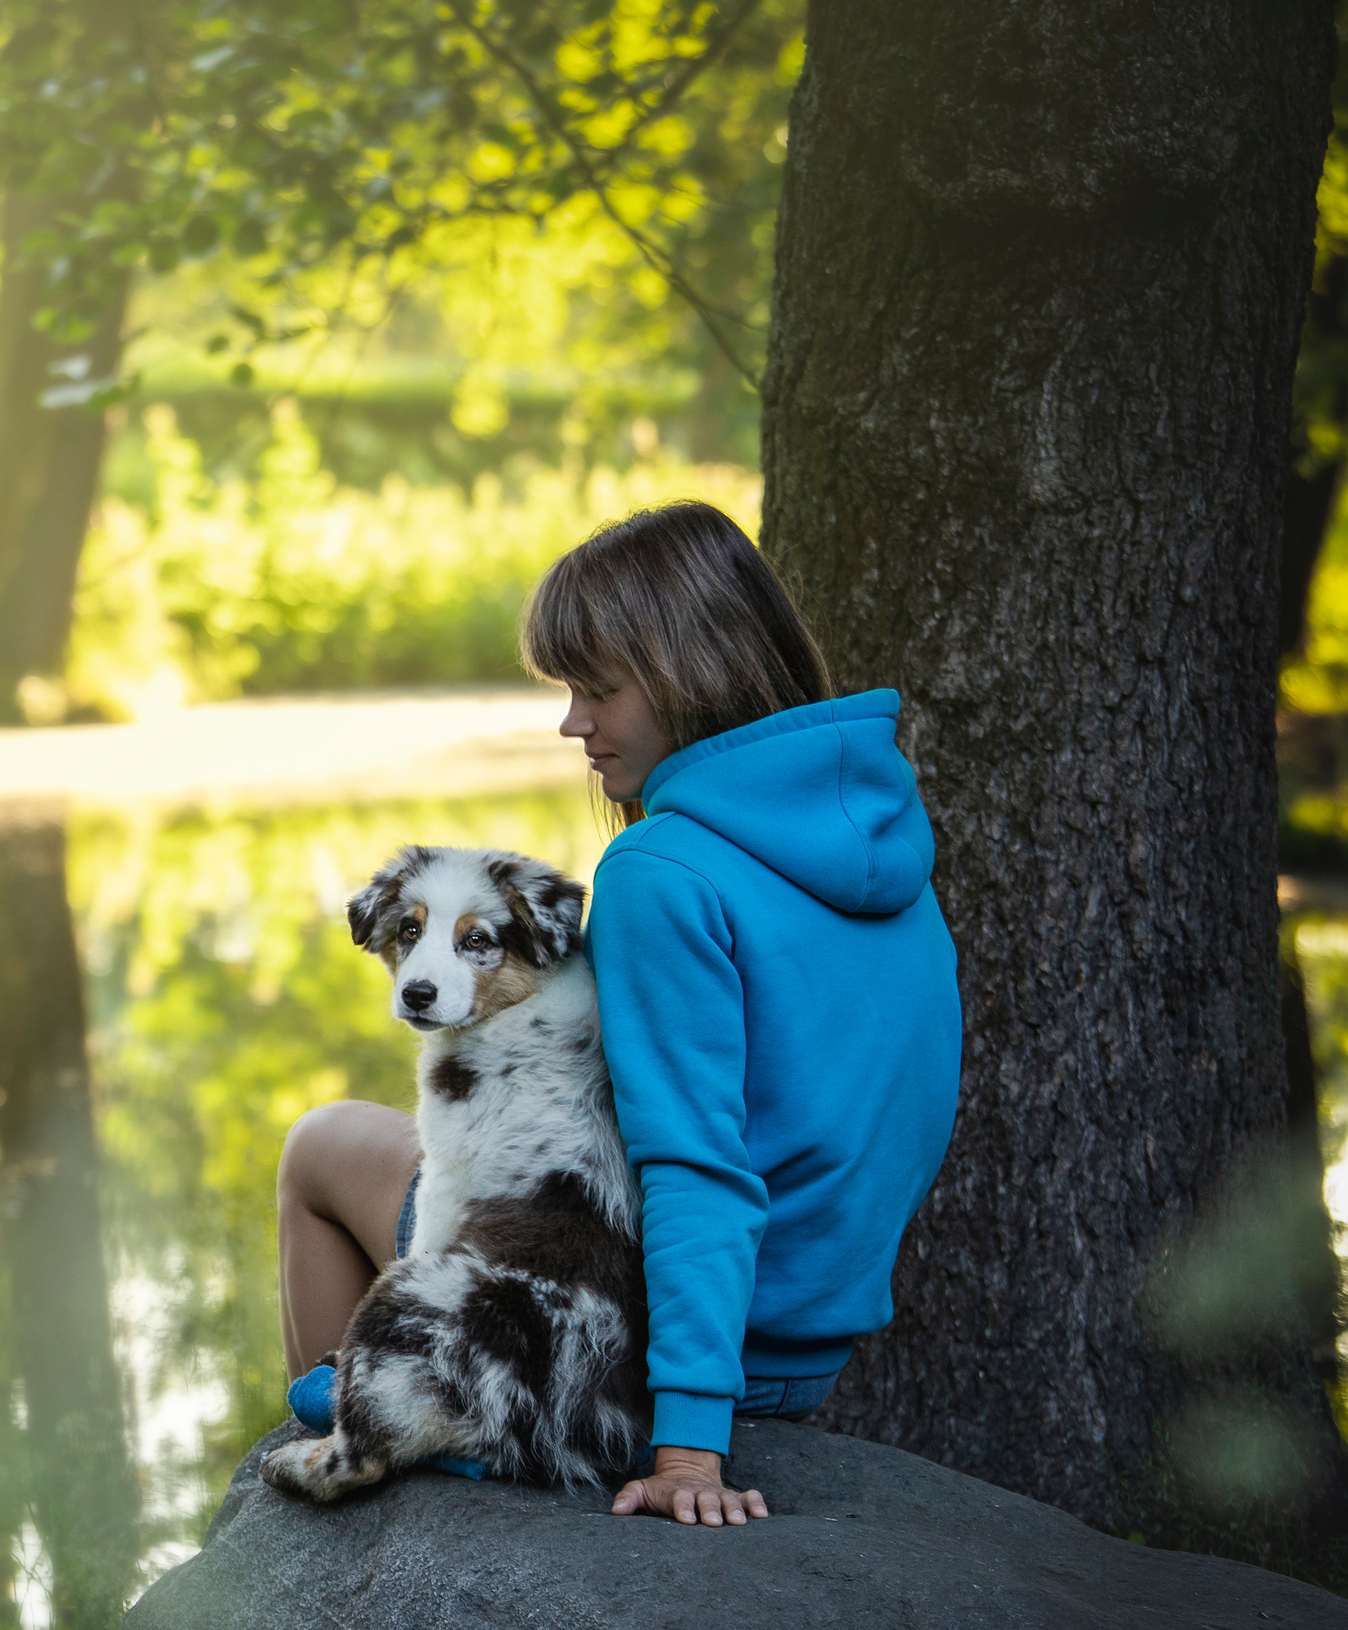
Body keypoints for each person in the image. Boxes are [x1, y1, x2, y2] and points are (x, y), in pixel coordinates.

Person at [276, 499, 963, 1527]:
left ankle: (347, 1441)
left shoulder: (660, 869)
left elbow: (694, 1162)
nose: (572, 723)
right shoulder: (883, 838)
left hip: (638, 1339)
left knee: (323, 1147)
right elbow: (906, 1108)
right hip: (809, 1340)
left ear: (688, 669)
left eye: (596, 688)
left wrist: (690, 1445)